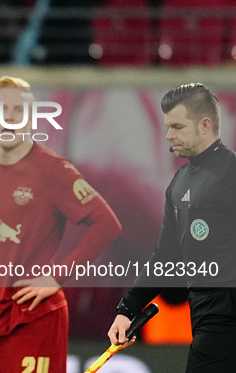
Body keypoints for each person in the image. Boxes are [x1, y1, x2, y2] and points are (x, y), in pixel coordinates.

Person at [0, 76, 122, 373]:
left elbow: (106, 224)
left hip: (31, 318)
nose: (10, 118)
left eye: (19, 111)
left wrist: (57, 276)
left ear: (31, 119)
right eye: (2, 110)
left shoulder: (53, 170)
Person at [107, 83, 236, 372]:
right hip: (207, 320)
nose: (168, 135)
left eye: (177, 126)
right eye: (168, 126)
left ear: (205, 125)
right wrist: (127, 310)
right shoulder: (180, 183)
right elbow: (165, 256)